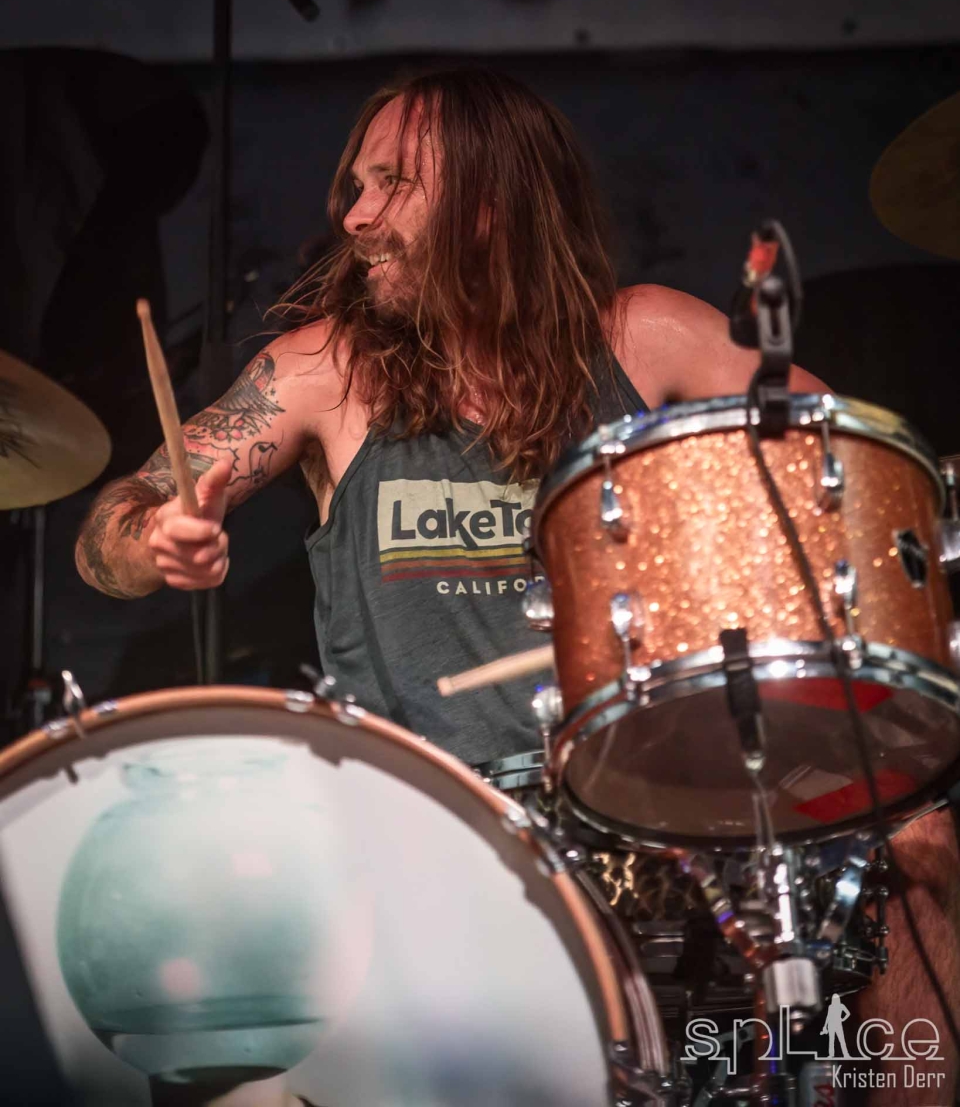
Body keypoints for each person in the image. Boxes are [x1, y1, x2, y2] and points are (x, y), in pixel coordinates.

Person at [75, 68, 958, 1103]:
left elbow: (861, 479)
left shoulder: (642, 338)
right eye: (355, 185)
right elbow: (112, 527)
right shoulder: (326, 370)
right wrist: (157, 538)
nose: (354, 215)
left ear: (490, 202)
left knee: (914, 830)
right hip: (426, 817)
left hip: (654, 802)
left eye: (393, 184)